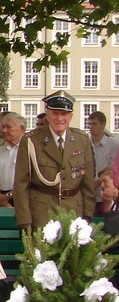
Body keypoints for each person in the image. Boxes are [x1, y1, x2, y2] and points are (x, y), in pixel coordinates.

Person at [13, 91, 95, 229]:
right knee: (42, 251)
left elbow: (87, 183)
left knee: (72, 251)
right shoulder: (31, 140)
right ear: (47, 115)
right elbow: (21, 184)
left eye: (64, 114)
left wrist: (87, 215)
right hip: (41, 212)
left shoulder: (82, 140)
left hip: (74, 211)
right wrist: (24, 220)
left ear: (71, 116)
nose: (60, 118)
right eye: (55, 113)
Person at [0, 112, 26, 209]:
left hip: (23, 198)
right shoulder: (1, 151)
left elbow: (31, 180)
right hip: (1, 199)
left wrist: (8, 196)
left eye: (8, 127)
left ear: (21, 128)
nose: (4, 130)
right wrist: (0, 198)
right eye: (3, 127)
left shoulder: (29, 150)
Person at [89, 111, 118, 214]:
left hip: (107, 194)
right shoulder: (86, 144)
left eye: (94, 124)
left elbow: (112, 170)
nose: (91, 127)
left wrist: (96, 183)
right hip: (89, 196)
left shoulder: (113, 145)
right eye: (90, 124)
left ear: (103, 124)